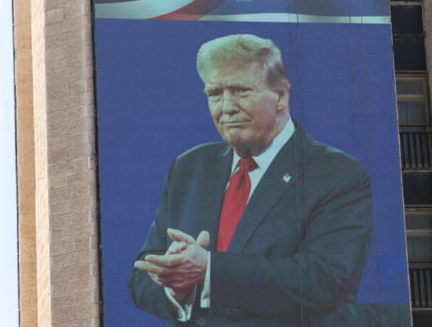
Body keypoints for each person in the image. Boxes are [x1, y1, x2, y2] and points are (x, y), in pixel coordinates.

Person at [128, 34, 373, 325]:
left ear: (281, 95)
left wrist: (209, 270)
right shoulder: (189, 167)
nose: (226, 107)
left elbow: (326, 281)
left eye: (241, 91)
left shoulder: (337, 173)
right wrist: (177, 283)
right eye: (214, 94)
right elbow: (142, 276)